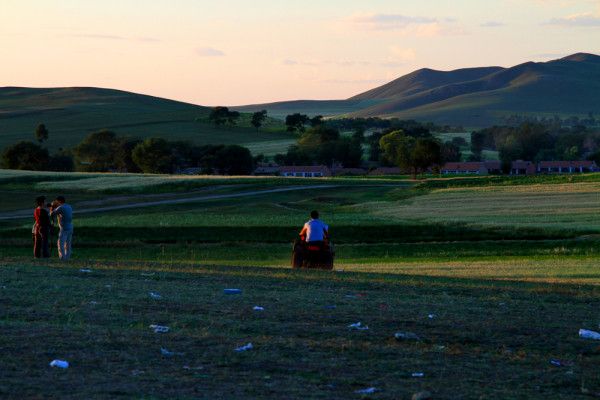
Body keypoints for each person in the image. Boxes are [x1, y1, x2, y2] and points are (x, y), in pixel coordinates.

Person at [50, 196, 73, 261]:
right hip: (70, 226)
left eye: (56, 201)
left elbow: (52, 214)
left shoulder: (61, 207)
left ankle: (62, 258)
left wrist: (52, 207)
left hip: (64, 227)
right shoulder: (69, 206)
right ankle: (67, 257)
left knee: (60, 243)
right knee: (68, 243)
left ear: (59, 201)